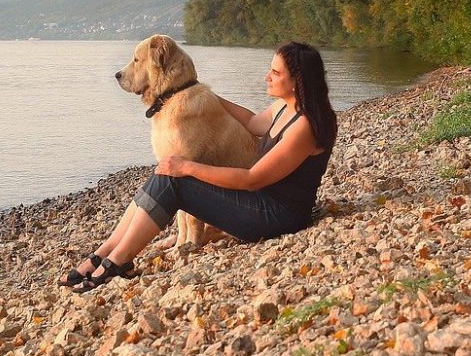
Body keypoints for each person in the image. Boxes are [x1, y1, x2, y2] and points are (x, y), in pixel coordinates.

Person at [59, 41, 338, 292]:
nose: (267, 76)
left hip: (276, 216)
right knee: (165, 173)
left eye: (275, 73)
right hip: (263, 204)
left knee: (174, 178)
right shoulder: (285, 107)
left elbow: (252, 179)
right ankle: (105, 253)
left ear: (297, 81)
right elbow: (253, 123)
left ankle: (117, 261)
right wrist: (195, 91)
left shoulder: (305, 126)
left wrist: (188, 168)